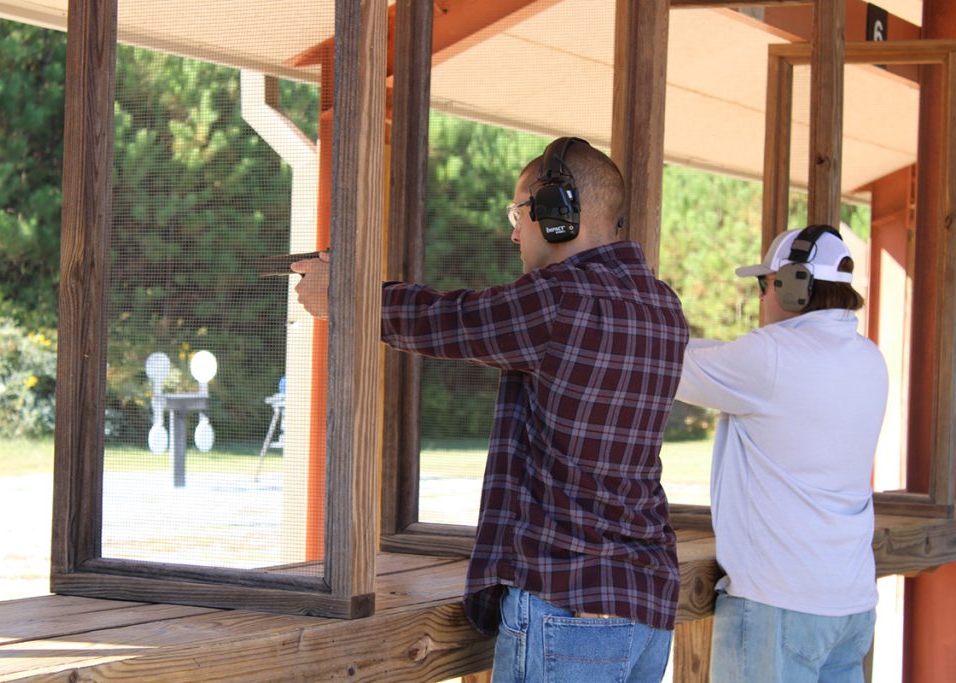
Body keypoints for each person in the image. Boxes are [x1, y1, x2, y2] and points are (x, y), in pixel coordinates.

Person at [293, 137, 687, 682]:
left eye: (519, 212)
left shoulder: (560, 300)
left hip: (568, 608)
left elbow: (450, 320)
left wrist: (348, 295)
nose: (513, 230)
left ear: (557, 215)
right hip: (646, 608)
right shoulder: (661, 304)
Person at [674, 225, 887, 682]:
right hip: (850, 606)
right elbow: (729, 359)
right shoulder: (870, 359)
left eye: (764, 283)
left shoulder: (770, 356)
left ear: (794, 286)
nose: (761, 296)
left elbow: (668, 364)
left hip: (779, 607)